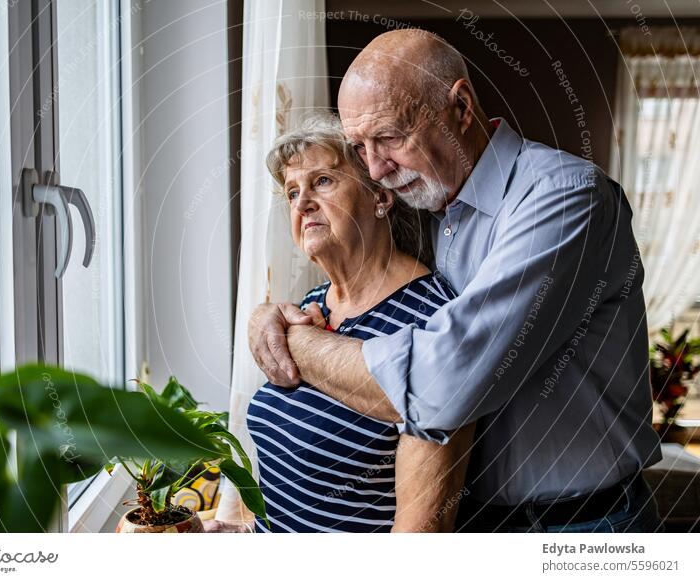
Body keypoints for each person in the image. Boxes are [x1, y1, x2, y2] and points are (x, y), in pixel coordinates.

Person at [247, 29, 663, 533]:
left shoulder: (563, 198)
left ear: (461, 107)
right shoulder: (430, 203)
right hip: (481, 524)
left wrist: (292, 341)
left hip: (579, 524)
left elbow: (443, 388)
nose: (376, 169)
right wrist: (267, 314)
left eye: (390, 138)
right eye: (360, 148)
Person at [208, 114, 473, 533]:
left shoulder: (433, 322)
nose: (301, 203)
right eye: (292, 192)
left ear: (380, 197)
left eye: (323, 181)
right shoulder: (310, 307)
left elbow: (420, 536)